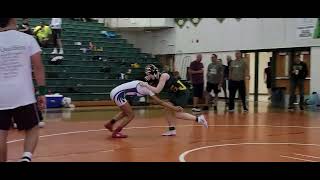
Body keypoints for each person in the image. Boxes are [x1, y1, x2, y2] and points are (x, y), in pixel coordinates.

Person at [0, 18, 46, 162]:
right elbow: (38, 67)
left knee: (1, 134)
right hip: (23, 95)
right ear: (12, 20)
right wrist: (42, 92)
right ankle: (26, 157)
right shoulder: (28, 39)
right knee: (32, 127)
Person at [142, 64, 208, 136]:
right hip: (174, 94)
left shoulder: (164, 76)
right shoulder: (156, 79)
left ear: (153, 72)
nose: (148, 76)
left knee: (177, 113)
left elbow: (157, 90)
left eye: (149, 74)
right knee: (167, 108)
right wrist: (147, 82)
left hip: (182, 92)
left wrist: (146, 85)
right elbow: (152, 87)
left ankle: (199, 119)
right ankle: (172, 130)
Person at [104, 80, 184, 138]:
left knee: (125, 112)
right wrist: (175, 108)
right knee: (131, 115)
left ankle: (110, 124)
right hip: (118, 94)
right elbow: (160, 102)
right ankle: (116, 132)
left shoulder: (143, 83)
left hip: (115, 92)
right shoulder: (147, 88)